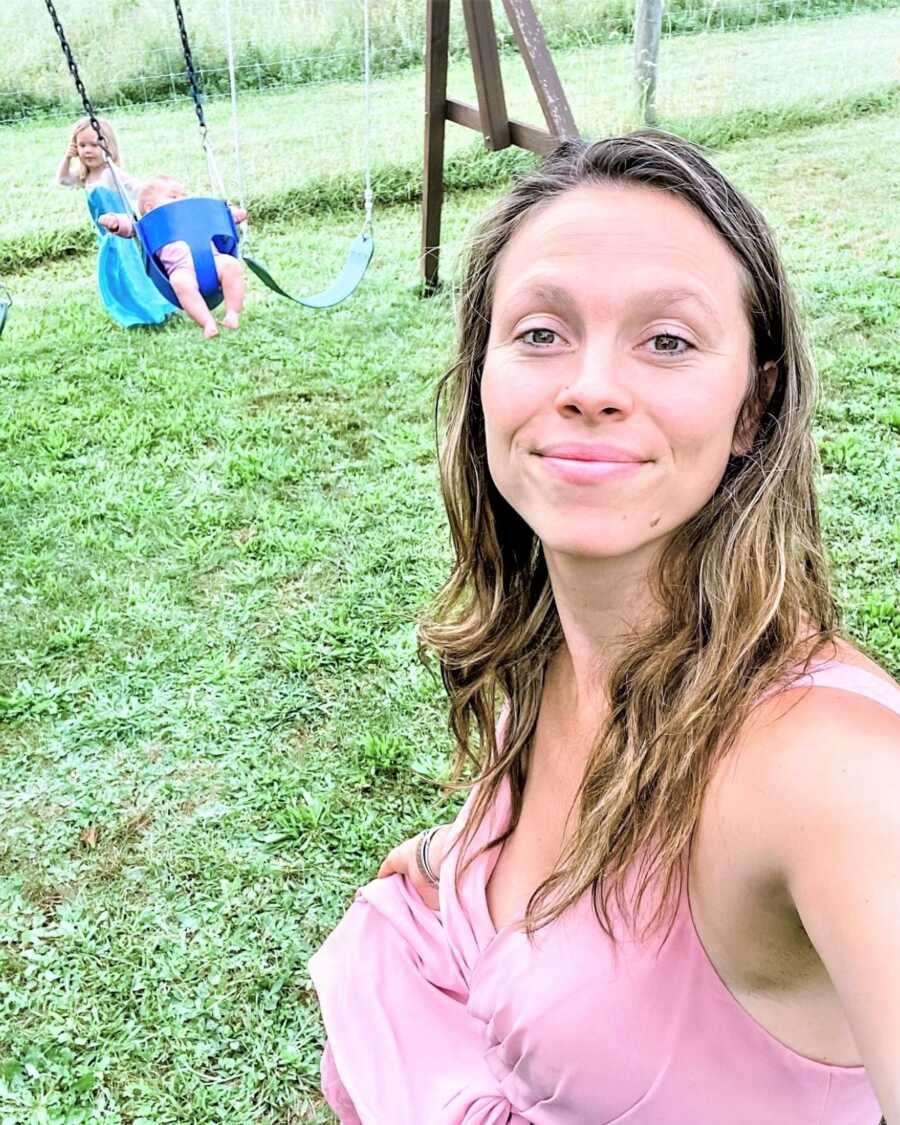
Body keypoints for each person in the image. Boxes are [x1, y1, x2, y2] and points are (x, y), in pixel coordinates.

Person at [308, 130, 900, 1125]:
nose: (590, 385)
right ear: (485, 376)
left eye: (667, 340)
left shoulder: (830, 773)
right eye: (541, 332)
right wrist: (455, 862)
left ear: (752, 406)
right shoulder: (549, 641)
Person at [56, 117, 175, 327]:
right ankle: (130, 309)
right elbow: (63, 179)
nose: (88, 151)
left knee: (134, 272)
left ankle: (152, 308)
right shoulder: (85, 176)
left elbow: (137, 189)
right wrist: (67, 157)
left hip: (123, 233)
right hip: (106, 237)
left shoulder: (110, 174)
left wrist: (158, 196)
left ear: (108, 146)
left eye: (95, 144)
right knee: (116, 276)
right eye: (82, 145)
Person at [99, 175, 247, 340]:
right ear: (150, 208)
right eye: (174, 196)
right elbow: (130, 225)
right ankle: (207, 323)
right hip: (181, 269)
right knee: (180, 283)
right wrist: (115, 222)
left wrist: (233, 214)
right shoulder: (148, 224)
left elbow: (217, 216)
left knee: (232, 265)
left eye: (184, 195)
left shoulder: (195, 214)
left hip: (214, 259)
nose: (182, 200)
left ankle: (232, 313)